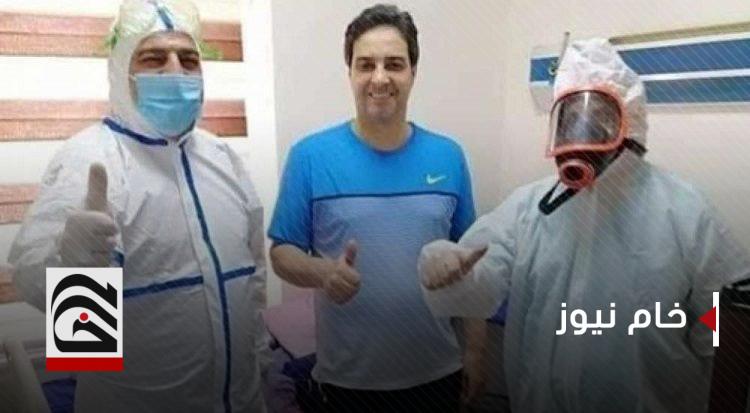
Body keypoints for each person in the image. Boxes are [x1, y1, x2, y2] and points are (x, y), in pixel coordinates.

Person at [418, 38, 750, 412]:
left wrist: (707, 333)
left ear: (629, 121)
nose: (582, 130)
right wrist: (449, 269)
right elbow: (482, 283)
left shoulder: (684, 211)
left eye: (597, 119)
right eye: (571, 118)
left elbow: (725, 321)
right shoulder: (530, 208)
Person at [8, 1, 267, 411]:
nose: (175, 71)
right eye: (153, 58)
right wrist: (73, 270)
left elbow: (254, 283)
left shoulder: (224, 159)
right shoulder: (88, 160)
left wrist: (262, 366)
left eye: (189, 59)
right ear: (121, 69)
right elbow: (82, 346)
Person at [267, 4, 487, 412]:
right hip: (347, 383)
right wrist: (322, 272)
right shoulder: (310, 156)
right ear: (350, 72)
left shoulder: (448, 156)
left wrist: (475, 350)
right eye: (366, 64)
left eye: (394, 64)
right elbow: (281, 253)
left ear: (413, 72)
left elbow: (470, 261)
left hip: (437, 374)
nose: (380, 78)